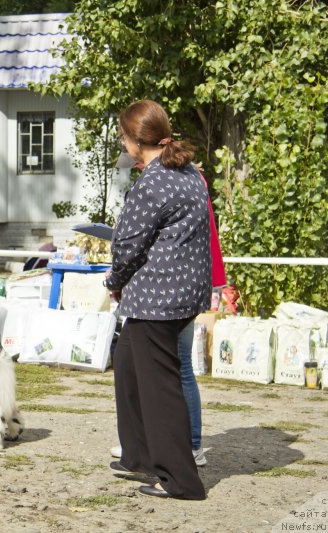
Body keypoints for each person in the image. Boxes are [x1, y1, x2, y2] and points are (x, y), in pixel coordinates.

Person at [104, 100, 210, 500]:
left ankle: (181, 480)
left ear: (134, 142)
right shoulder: (186, 174)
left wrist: (114, 281)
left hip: (157, 297)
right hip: (184, 291)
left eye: (123, 137)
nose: (123, 144)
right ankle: (139, 455)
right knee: (128, 365)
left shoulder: (151, 181)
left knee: (159, 387)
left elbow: (127, 246)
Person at [110, 167, 227, 467]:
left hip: (168, 289)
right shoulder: (190, 180)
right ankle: (173, 446)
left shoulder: (168, 180)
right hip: (188, 282)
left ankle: (184, 447)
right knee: (172, 365)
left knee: (175, 369)